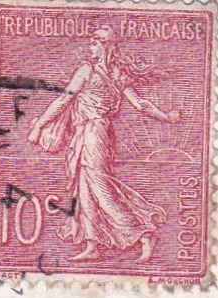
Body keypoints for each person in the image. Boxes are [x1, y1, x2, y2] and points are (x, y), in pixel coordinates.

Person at [27, 26, 181, 263]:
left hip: (94, 134)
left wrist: (39, 126)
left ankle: (143, 234)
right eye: (92, 40)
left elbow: (63, 100)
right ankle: (93, 243)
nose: (91, 44)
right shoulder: (114, 73)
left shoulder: (89, 71)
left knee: (99, 187)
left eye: (96, 41)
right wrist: (166, 116)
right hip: (90, 134)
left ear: (107, 45)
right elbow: (140, 104)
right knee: (85, 188)